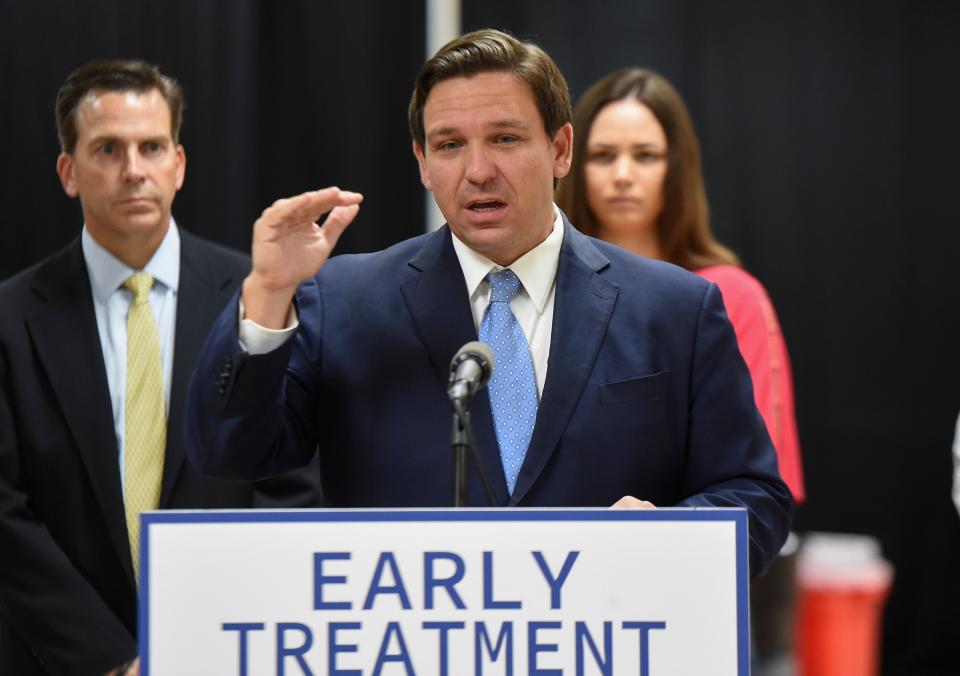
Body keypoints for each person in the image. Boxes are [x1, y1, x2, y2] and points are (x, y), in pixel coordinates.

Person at [185, 30, 792, 576]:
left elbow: (754, 496)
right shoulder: (343, 300)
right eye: (449, 145)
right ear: (422, 162)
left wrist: (669, 538)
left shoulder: (677, 309)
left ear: (560, 149)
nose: (477, 171)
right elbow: (231, 451)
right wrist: (268, 294)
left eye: (504, 138)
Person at [0, 60, 319, 676]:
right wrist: (114, 659)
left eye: (151, 147)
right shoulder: (11, 319)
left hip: (231, 648)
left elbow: (290, 483)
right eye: (107, 149)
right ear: (69, 172)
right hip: (64, 659)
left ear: (179, 164)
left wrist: (215, 634)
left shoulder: (261, 295)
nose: (133, 170)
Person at [555, 67, 805, 674]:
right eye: (603, 154)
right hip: (556, 589)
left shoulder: (729, 295)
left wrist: (667, 531)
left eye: (645, 155)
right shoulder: (531, 296)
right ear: (567, 161)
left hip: (687, 592)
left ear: (679, 168)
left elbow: (767, 480)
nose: (622, 175)